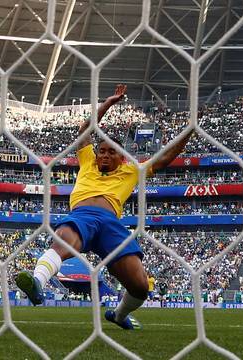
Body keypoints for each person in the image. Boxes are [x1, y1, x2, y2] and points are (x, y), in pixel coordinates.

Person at [15, 85, 193, 330]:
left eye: (112, 152)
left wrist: (189, 132)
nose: (105, 155)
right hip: (83, 215)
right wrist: (108, 103)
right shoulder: (87, 161)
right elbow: (84, 130)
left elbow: (164, 158)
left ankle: (118, 316)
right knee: (63, 241)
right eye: (102, 151)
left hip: (111, 223)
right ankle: (37, 282)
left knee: (140, 286)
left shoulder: (132, 171)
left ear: (122, 157)